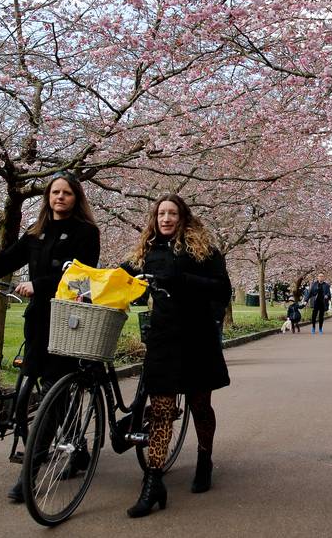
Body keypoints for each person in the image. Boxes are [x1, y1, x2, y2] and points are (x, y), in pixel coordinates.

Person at [0, 170, 100, 503]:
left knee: (50, 391)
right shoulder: (36, 233)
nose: (60, 197)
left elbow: (84, 278)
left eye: (66, 193)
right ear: (48, 197)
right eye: (55, 192)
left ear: (76, 198)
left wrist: (40, 285)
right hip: (38, 321)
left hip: (66, 322)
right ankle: (79, 449)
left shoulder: (86, 233)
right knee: (46, 391)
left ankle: (31, 471)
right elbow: (3, 261)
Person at [120, 194, 232, 518]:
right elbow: (120, 278)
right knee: (161, 411)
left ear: (182, 217)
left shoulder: (203, 250)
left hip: (197, 338)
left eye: (171, 213)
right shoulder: (147, 251)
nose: (166, 219)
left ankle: (204, 458)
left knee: (199, 405)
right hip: (164, 339)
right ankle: (153, 482)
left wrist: (182, 280)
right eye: (161, 214)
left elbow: (222, 289)